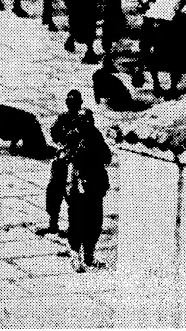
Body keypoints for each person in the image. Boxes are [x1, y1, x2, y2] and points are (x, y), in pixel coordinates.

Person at [37, 90, 94, 238]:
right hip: (62, 161)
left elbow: (87, 135)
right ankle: (53, 224)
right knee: (53, 192)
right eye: (69, 102)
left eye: (74, 102)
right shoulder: (63, 117)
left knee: (74, 197)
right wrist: (63, 143)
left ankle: (73, 227)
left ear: (80, 103)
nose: (71, 105)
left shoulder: (85, 117)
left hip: (77, 163)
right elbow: (54, 132)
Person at [63, 104, 112, 272]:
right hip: (79, 188)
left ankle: (89, 256)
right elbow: (68, 161)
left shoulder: (96, 136)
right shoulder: (73, 137)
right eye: (83, 120)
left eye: (89, 120)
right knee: (77, 222)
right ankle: (75, 255)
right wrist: (70, 184)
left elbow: (107, 157)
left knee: (95, 223)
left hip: (95, 186)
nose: (87, 123)